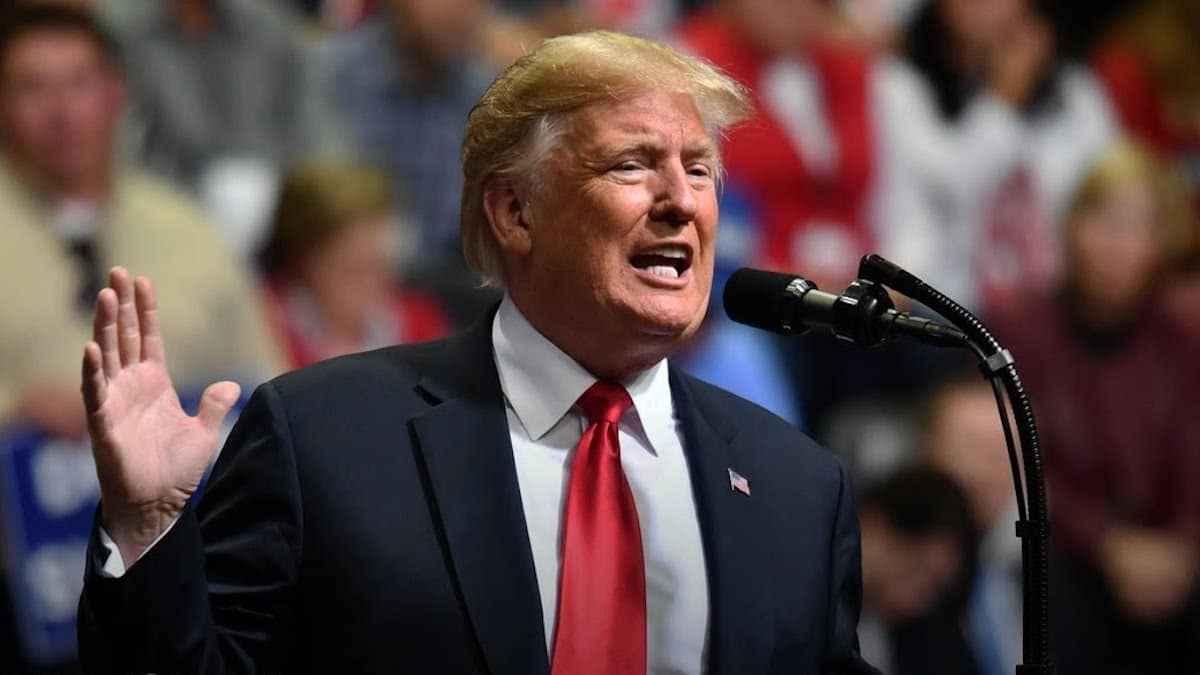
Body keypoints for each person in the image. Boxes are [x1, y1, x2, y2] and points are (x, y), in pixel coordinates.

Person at [76, 31, 879, 674]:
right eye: (633, 164)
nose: (680, 201)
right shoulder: (325, 440)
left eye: (698, 169)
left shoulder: (796, 487)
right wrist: (148, 530)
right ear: (514, 212)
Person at [0, 6, 281, 437]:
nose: (62, 112)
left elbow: (268, 384)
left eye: (79, 83)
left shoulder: (189, 229)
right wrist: (14, 409)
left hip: (194, 491)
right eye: (32, 88)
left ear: (117, 94)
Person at [993, 140, 1200, 675]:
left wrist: (1180, 547)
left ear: (1164, 242)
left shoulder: (1181, 343)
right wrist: (1109, 545)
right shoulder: (1022, 334)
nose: (1117, 244)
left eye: (1139, 227)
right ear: (1072, 227)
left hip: (1170, 556)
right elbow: (1023, 468)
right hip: (1068, 548)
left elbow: (1192, 459)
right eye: (1104, 220)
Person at [878, 0, 1115, 316]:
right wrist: (1005, 95)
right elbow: (951, 190)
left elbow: (1109, 187)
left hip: (1058, 307)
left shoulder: (1074, 90)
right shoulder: (899, 85)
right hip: (945, 304)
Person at [259, 160, 450, 368]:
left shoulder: (421, 323)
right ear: (302, 262)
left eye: (381, 264)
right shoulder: (261, 327)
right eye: (353, 269)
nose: (375, 283)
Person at [856, 466, 977, 675]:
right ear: (873, 525)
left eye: (934, 588)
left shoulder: (927, 640)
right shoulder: (810, 609)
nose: (913, 602)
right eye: (914, 568)